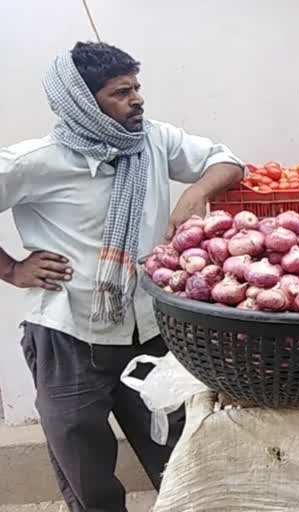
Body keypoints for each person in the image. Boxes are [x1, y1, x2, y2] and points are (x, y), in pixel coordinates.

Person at [0, 41, 244, 511]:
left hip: (152, 330)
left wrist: (194, 192)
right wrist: (12, 269)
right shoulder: (35, 162)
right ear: (81, 103)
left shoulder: (152, 140)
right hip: (70, 334)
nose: (138, 99)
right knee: (85, 467)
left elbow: (226, 160)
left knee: (178, 452)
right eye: (120, 92)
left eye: (136, 87)